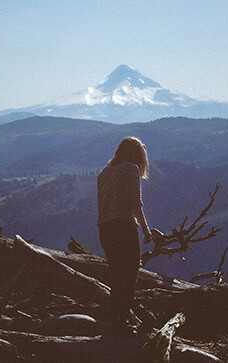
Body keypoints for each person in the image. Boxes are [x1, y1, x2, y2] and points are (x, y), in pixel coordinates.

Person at [97, 136, 162, 333]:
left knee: (117, 275)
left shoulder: (104, 173)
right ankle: (121, 321)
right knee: (129, 273)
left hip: (105, 229)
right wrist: (146, 230)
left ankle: (113, 317)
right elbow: (135, 203)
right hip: (123, 227)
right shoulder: (130, 169)